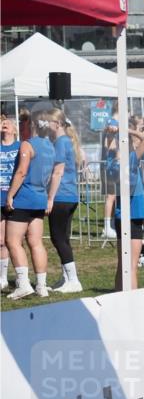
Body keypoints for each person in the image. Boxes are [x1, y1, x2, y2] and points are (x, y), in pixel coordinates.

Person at [4, 110, 57, 299]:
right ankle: (41, 286)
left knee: (12, 241)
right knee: (36, 242)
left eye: (24, 122)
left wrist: (10, 195)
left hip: (24, 198)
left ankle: (24, 284)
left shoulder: (27, 144)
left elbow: (21, 172)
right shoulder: (50, 146)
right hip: (40, 198)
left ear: (31, 124)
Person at [109, 125, 144, 291]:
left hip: (121, 215)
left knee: (122, 264)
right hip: (133, 215)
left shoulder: (112, 163)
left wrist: (112, 137)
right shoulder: (131, 160)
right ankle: (131, 299)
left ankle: (117, 296)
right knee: (132, 265)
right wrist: (127, 130)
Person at [46, 109, 86, 293]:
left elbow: (58, 172)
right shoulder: (66, 141)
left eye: (48, 121)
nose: (45, 124)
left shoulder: (61, 142)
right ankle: (66, 278)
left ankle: (74, 280)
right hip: (69, 195)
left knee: (58, 238)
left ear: (57, 124)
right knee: (63, 238)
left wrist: (50, 198)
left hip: (61, 196)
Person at [1, 117, 19, 291]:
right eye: (2, 123)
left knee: (15, 240)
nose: (4, 124)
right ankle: (3, 278)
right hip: (0, 198)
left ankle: (22, 276)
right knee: (1, 241)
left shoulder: (20, 147)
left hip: (16, 198)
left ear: (14, 129)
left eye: (8, 123)